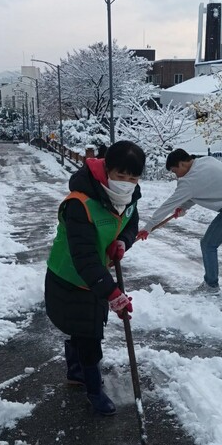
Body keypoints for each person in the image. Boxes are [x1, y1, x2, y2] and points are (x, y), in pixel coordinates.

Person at [45, 140, 146, 415]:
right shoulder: (80, 203)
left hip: (96, 275)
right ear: (106, 168)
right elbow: (85, 258)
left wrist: (123, 241)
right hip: (70, 276)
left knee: (85, 329)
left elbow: (131, 221)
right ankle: (93, 389)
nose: (127, 183)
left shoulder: (129, 196)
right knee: (88, 333)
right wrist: (113, 295)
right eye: (121, 175)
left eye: (133, 177)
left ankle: (77, 373)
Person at [138, 148, 222, 294]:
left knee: (208, 244)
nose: (176, 176)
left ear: (182, 164)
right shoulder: (206, 161)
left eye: (175, 171)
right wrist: (183, 207)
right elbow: (200, 190)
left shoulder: (189, 181)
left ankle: (211, 285)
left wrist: (148, 227)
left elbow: (168, 205)